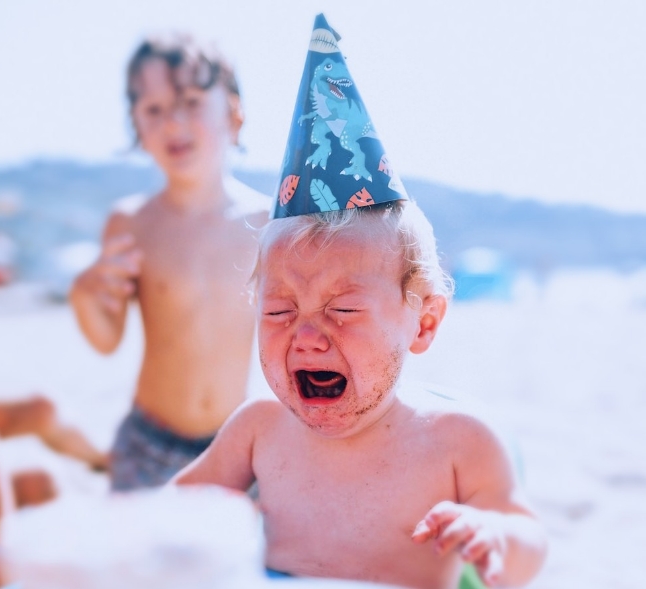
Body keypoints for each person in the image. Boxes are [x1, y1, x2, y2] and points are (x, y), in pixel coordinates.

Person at [175, 14, 547, 589]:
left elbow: (526, 541)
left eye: (343, 310)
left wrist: (493, 534)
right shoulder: (258, 430)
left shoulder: (458, 441)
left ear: (423, 323)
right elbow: (167, 513)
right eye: (278, 312)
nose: (306, 336)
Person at [69, 33, 270, 491]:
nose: (173, 122)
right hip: (148, 442)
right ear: (136, 125)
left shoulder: (266, 223)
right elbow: (107, 340)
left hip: (234, 444)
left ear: (233, 115)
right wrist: (83, 296)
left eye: (191, 102)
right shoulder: (131, 222)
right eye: (154, 109)